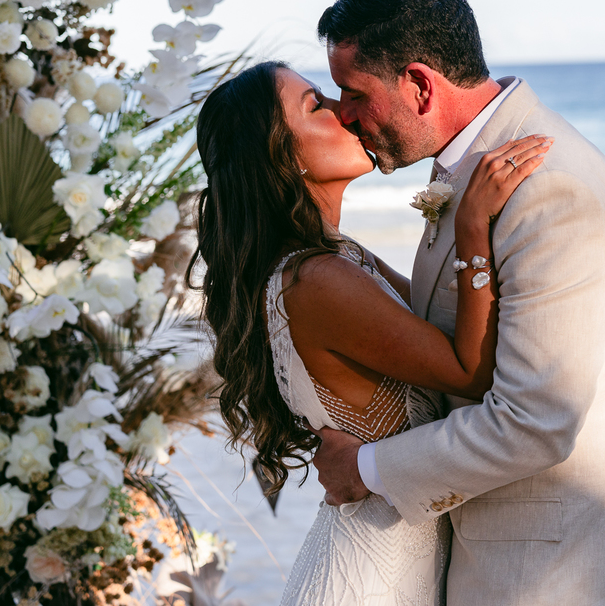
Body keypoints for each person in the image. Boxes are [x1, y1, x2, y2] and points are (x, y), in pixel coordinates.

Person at [310, 0, 605, 605]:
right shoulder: (476, 178)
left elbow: (535, 423)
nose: (344, 114)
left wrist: (364, 469)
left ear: (420, 85)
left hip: (552, 576)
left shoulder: (548, 192)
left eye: (354, 92)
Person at [191, 59, 551, 605]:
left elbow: (438, 326)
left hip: (389, 567)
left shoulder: (335, 257)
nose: (344, 110)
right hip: (367, 582)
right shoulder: (315, 278)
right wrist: (470, 230)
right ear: (279, 156)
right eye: (317, 105)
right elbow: (470, 372)